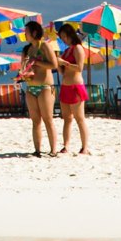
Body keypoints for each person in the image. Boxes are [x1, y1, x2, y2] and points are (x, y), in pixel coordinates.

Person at [18, 19, 61, 157]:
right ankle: (37, 150)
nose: (25, 34)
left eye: (27, 32)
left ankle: (53, 150)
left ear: (34, 32)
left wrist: (37, 62)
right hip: (31, 87)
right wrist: (23, 75)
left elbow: (54, 64)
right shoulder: (26, 49)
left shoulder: (45, 46)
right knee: (35, 120)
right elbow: (22, 69)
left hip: (45, 87)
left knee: (48, 118)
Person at [57, 24, 91, 154]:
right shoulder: (67, 51)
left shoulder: (78, 48)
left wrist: (64, 63)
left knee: (79, 117)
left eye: (63, 37)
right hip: (65, 85)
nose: (63, 40)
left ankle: (85, 146)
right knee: (67, 118)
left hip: (75, 85)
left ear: (69, 34)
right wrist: (58, 63)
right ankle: (66, 145)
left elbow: (79, 68)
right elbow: (62, 71)